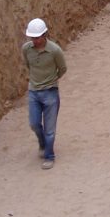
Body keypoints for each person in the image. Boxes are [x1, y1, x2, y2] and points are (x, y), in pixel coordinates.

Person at [22, 18, 67, 170]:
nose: (34, 40)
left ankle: (49, 155)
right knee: (34, 123)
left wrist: (51, 82)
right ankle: (42, 143)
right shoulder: (26, 49)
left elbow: (62, 69)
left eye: (37, 37)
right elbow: (28, 65)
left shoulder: (55, 51)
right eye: (32, 38)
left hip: (50, 93)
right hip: (34, 92)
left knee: (49, 129)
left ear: (44, 35)